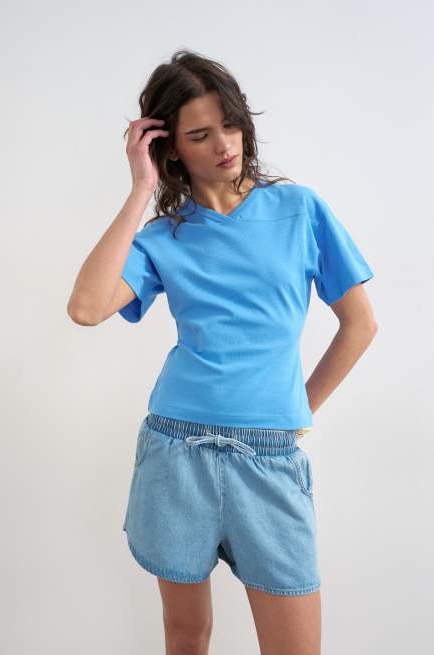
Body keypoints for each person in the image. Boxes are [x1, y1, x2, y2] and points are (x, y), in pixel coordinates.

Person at [67, 49, 377, 655]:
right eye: (200, 135)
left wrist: (299, 410)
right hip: (176, 451)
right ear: (170, 148)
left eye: (230, 124)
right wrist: (141, 189)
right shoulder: (164, 237)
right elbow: (86, 306)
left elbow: (360, 325)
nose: (224, 145)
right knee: (187, 636)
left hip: (270, 459)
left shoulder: (299, 210)